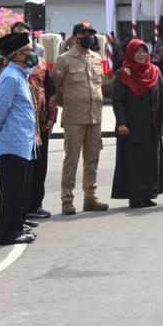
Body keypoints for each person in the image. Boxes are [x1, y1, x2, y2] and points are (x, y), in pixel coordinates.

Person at [52, 21, 108, 215]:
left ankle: (90, 198)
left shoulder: (96, 58)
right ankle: (67, 200)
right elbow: (55, 88)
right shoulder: (64, 59)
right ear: (75, 37)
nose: (88, 37)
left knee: (92, 159)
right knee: (72, 160)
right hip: (74, 117)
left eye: (90, 33)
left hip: (95, 116)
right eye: (84, 33)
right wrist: (69, 102)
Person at [0, 32, 38, 246]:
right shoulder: (10, 77)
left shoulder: (20, 74)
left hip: (21, 142)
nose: (31, 54)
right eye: (27, 51)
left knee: (16, 189)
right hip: (13, 143)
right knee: (13, 191)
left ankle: (9, 227)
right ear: (17, 55)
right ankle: (11, 232)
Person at [112, 39, 163, 208]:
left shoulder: (155, 71)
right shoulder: (123, 73)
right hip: (131, 126)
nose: (141, 55)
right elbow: (118, 101)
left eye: (144, 51)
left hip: (152, 125)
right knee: (134, 162)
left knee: (151, 161)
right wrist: (121, 123)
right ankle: (135, 197)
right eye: (137, 52)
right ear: (130, 53)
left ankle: (148, 195)